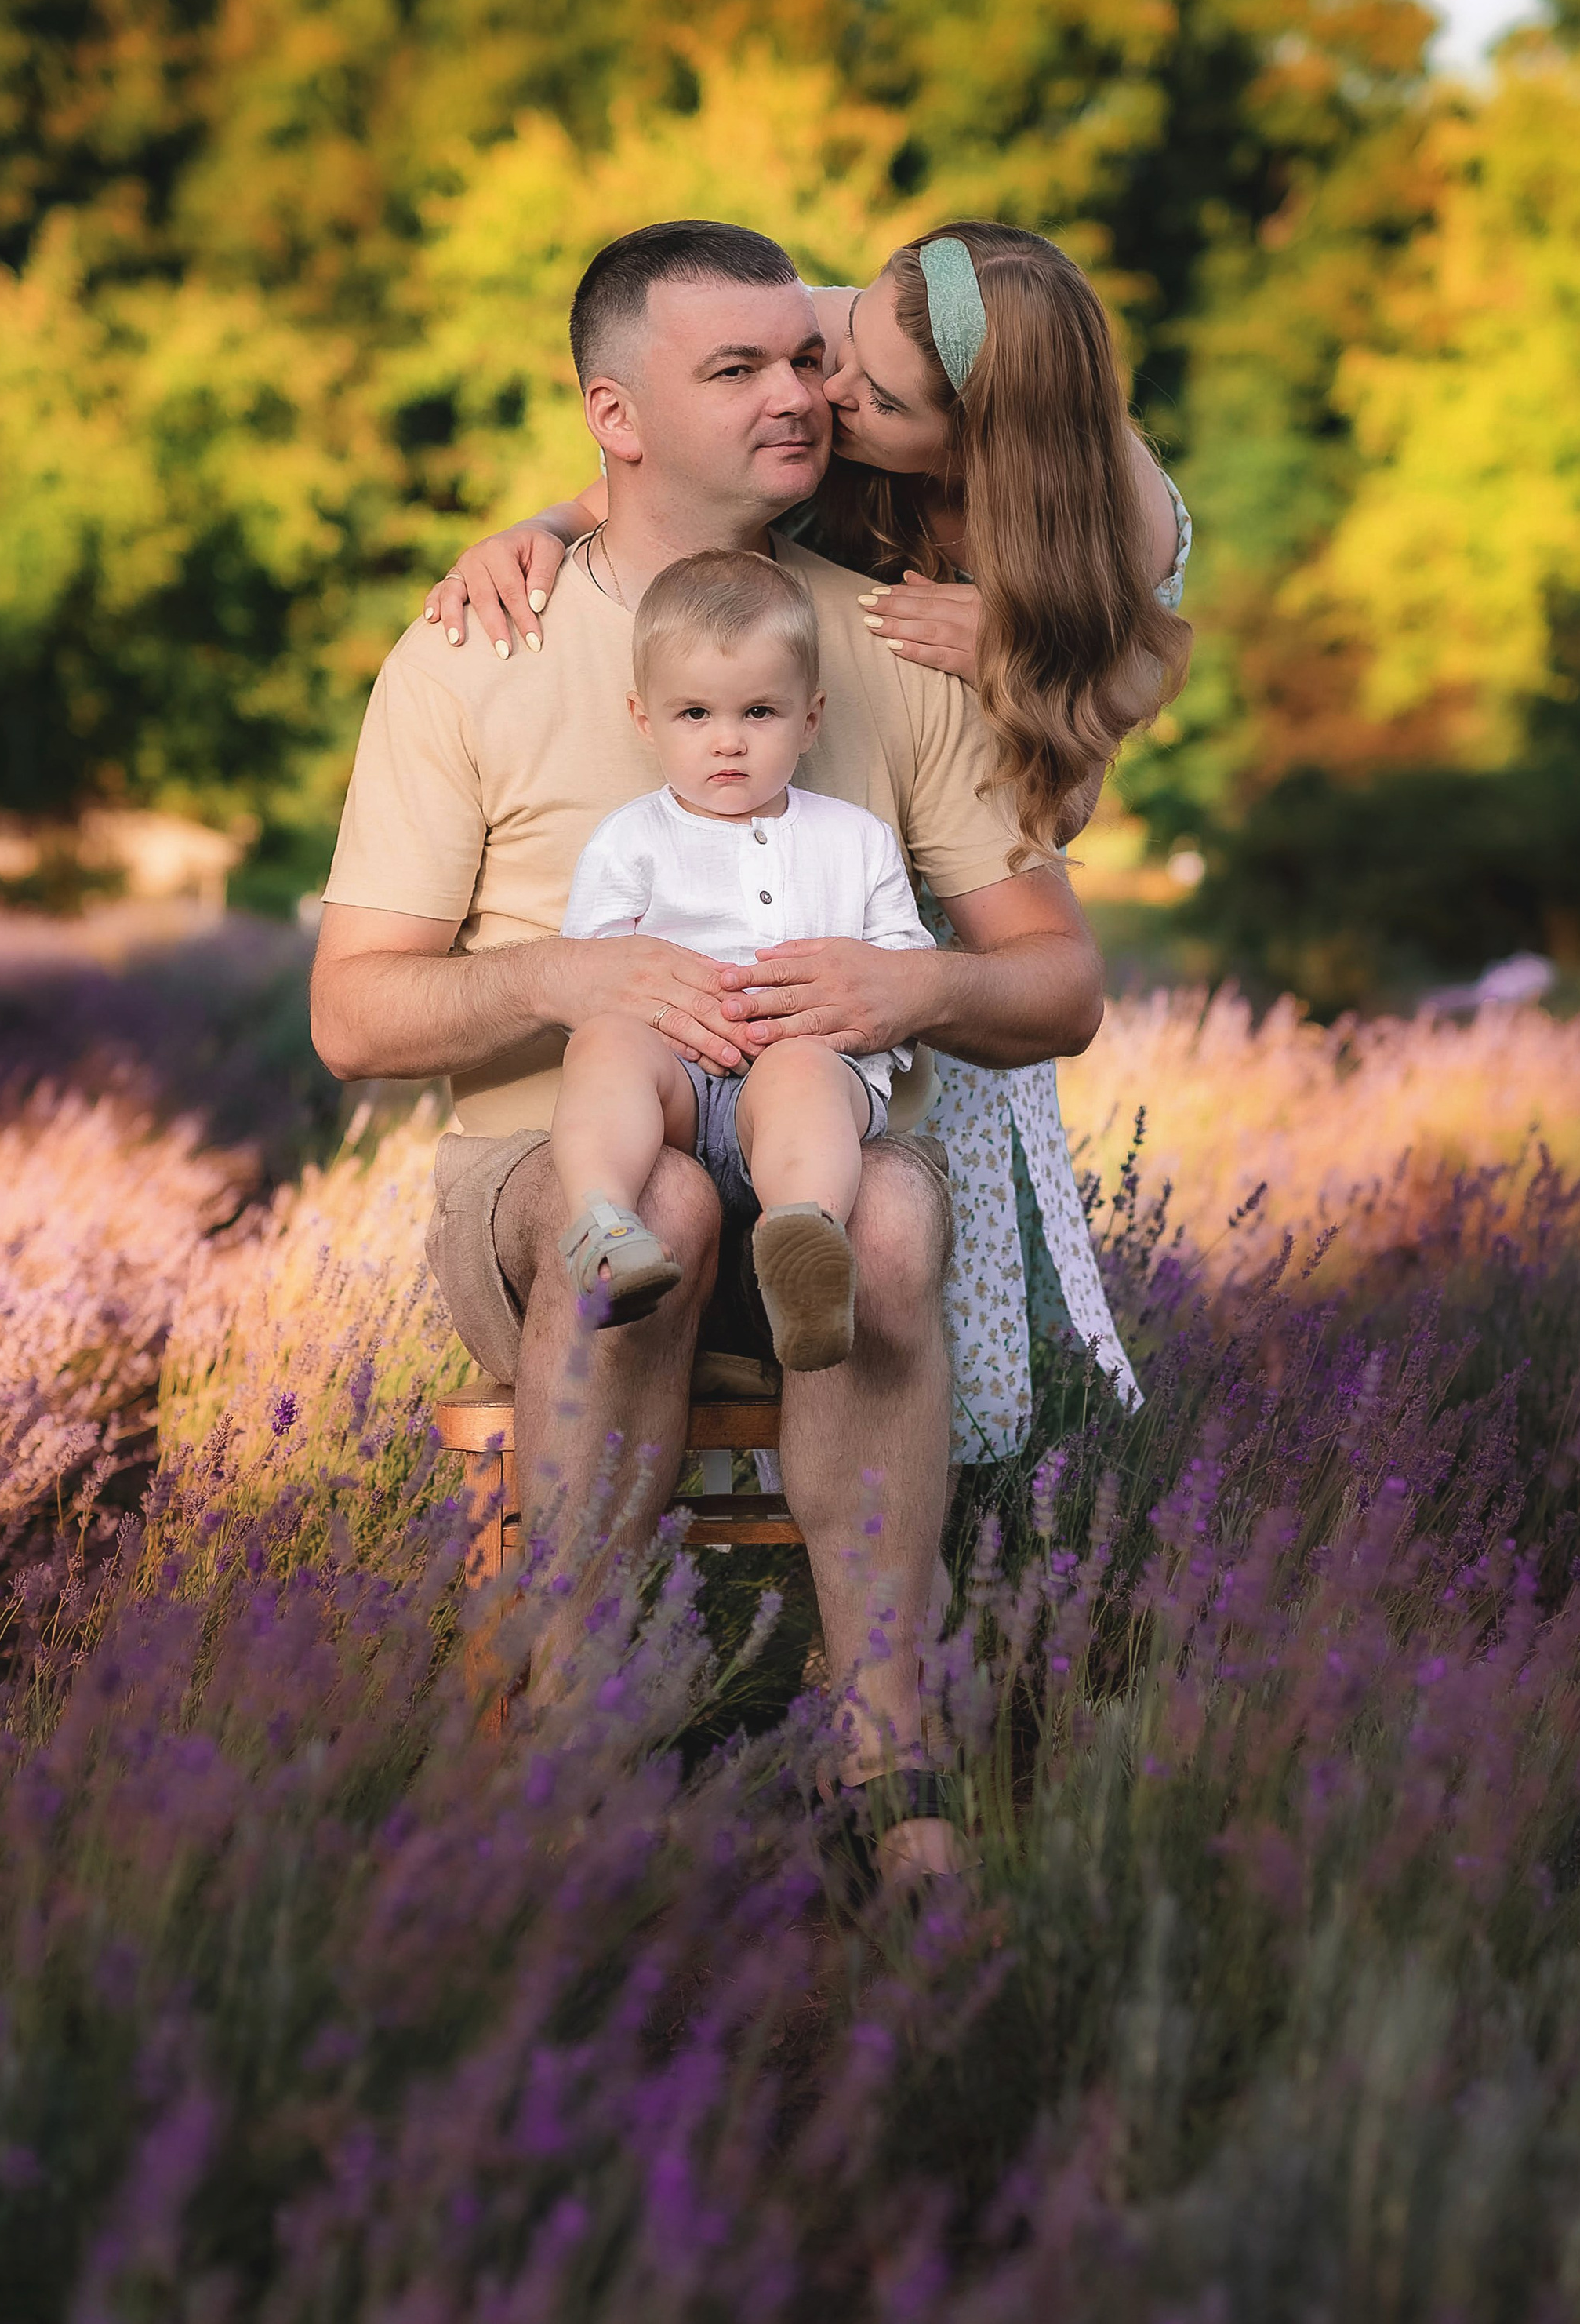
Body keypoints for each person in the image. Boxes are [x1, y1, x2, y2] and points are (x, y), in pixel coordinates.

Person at [311, 220, 1103, 1872]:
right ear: (614, 415)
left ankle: (889, 1768)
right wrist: (570, 980)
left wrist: (913, 994)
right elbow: (352, 1016)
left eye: (806, 358)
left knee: (885, 1214)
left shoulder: (889, 646)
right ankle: (560, 1726)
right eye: (733, 369)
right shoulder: (474, 649)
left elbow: (1056, 989)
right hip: (550, 1183)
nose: (799, 394)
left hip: (807, 1160)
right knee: (653, 1210)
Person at [423, 221, 1191, 1464]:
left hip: (898, 887)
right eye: (835, 351)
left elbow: (1080, 759)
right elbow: (663, 441)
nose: (823, 394)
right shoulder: (893, 319)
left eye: (872, 396)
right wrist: (554, 526)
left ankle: (920, 1547)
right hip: (794, 768)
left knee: (907, 1231)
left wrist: (1017, 653)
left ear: (973, 438)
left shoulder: (1100, 527)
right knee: (690, 1127)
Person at [552, 547, 935, 1372]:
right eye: (695, 715)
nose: (727, 743)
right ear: (644, 719)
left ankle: (802, 1245)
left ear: (810, 718)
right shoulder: (632, 839)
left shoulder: (853, 840)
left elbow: (905, 970)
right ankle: (603, 1223)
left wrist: (863, 1005)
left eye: (759, 713)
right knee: (604, 1046)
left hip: (805, 1091)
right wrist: (636, 1008)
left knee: (799, 1069)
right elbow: (588, 974)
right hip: (679, 1094)